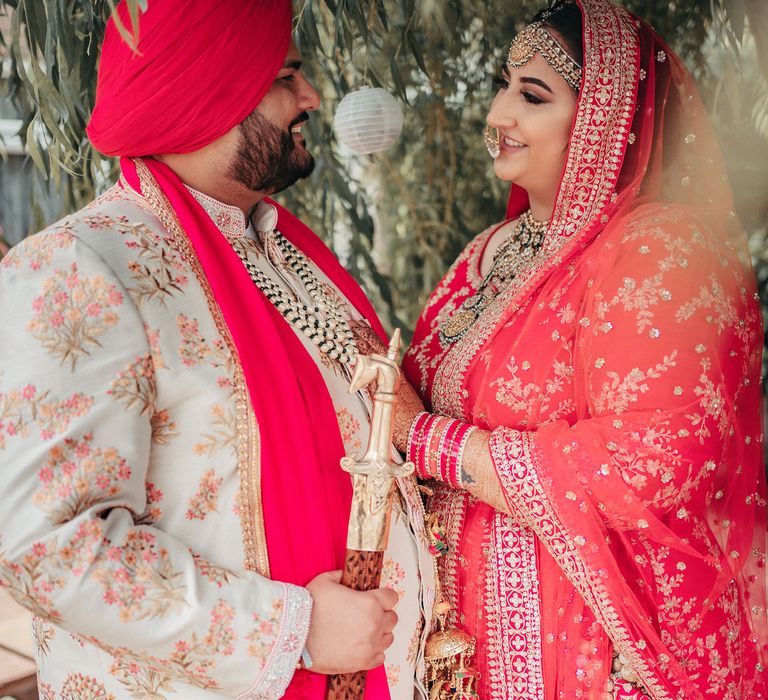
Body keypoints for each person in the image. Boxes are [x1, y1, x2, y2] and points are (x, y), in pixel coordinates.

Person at [0, 2, 435, 699]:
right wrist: (288, 630)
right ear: (207, 92)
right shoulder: (81, 265)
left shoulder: (287, 253)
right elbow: (47, 549)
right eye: (286, 75)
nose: (311, 97)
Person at [401, 0, 768, 697]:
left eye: (532, 95)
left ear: (605, 119)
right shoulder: (482, 258)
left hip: (597, 655)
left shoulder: (660, 250)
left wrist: (429, 442)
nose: (499, 115)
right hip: (467, 643)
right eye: (504, 85)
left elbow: (649, 462)